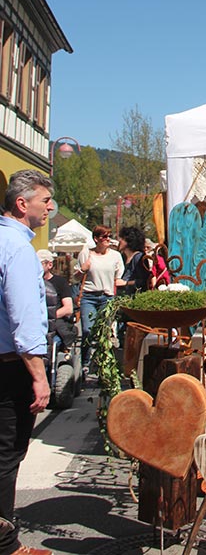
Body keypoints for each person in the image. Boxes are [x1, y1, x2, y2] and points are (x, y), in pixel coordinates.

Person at [0, 169, 54, 555]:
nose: (50, 207)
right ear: (23, 204)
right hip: (11, 365)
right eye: (44, 200)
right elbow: (23, 318)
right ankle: (6, 544)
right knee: (7, 454)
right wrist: (39, 375)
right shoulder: (17, 248)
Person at [75, 225, 123, 370]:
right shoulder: (86, 253)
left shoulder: (115, 256)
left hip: (106, 297)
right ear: (96, 239)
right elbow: (76, 277)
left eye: (109, 236)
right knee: (88, 330)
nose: (108, 239)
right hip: (89, 296)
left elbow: (118, 278)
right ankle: (85, 362)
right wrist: (83, 269)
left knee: (105, 332)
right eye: (104, 236)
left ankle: (104, 365)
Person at [38, 250, 76, 351]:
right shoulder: (31, 282)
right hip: (36, 326)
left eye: (39, 263)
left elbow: (68, 309)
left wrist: (46, 317)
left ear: (49, 265)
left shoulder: (60, 282)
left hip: (55, 325)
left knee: (53, 344)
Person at [116, 226, 151, 294]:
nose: (119, 241)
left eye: (122, 238)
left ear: (129, 241)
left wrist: (125, 283)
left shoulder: (139, 257)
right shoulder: (122, 257)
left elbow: (144, 280)